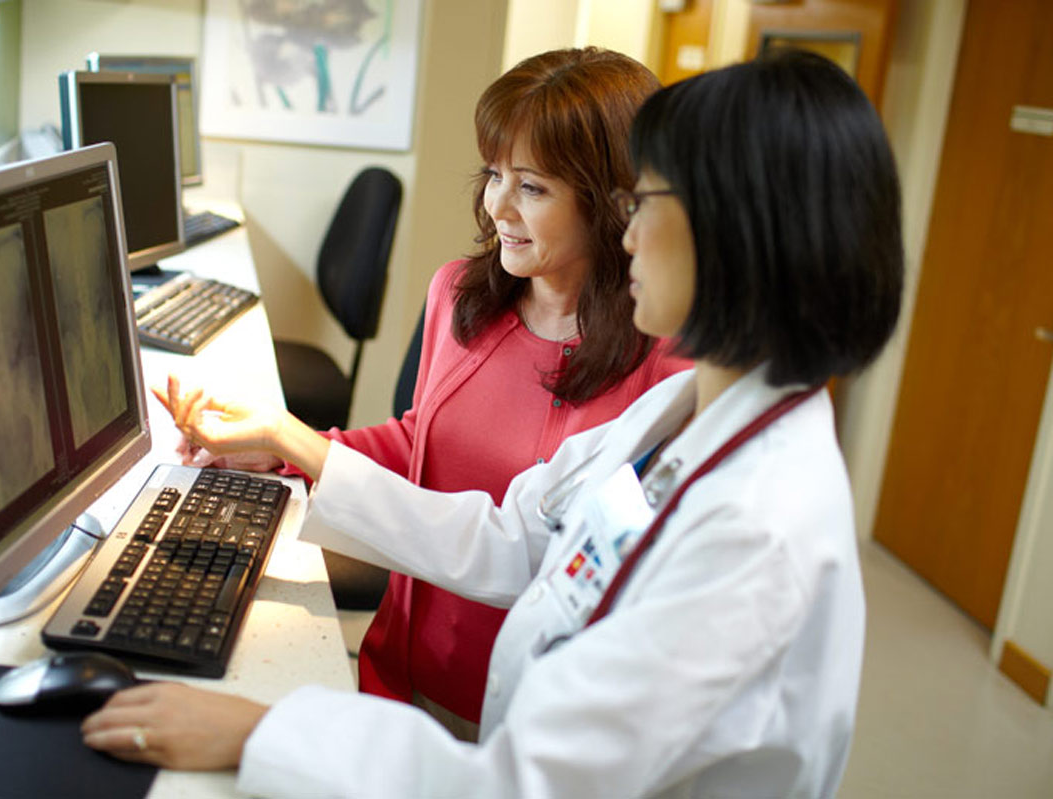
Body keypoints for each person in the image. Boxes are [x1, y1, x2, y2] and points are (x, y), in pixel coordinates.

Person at [84, 48, 903, 797]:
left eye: (645, 200)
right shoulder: (688, 416)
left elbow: (526, 786)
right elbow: (516, 538)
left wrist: (265, 730)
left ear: (734, 235)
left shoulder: (754, 532)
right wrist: (294, 445)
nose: (629, 229)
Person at [178, 46, 690, 736]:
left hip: (514, 729)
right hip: (394, 676)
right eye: (493, 174)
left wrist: (291, 440)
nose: (497, 205)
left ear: (608, 203)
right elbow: (419, 443)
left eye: (531, 188)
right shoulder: (460, 293)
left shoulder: (664, 369)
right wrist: (277, 450)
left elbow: (524, 550)